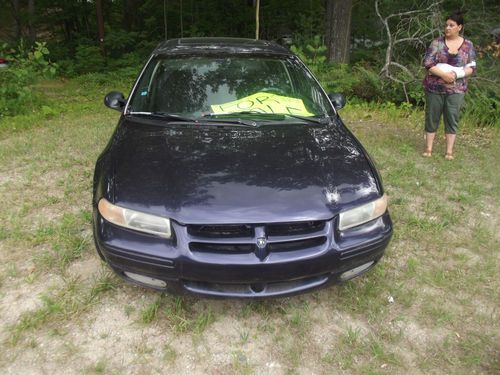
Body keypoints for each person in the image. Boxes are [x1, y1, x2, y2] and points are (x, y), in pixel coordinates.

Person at [422, 11, 476, 160]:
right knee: (432, 116)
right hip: (434, 87)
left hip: (456, 89)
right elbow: (428, 63)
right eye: (446, 25)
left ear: (459, 27)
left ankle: (449, 151)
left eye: (451, 25)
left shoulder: (468, 45)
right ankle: (428, 148)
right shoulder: (436, 43)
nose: (447, 28)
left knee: (452, 117)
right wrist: (443, 75)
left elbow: (472, 67)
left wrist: (456, 75)